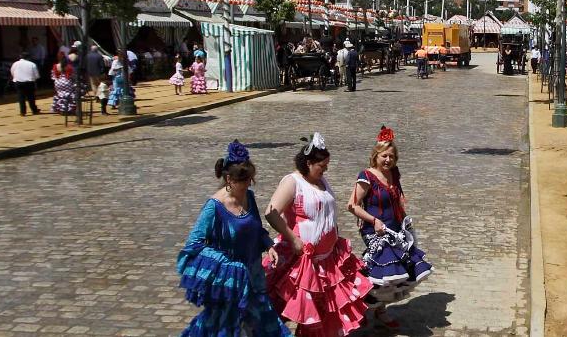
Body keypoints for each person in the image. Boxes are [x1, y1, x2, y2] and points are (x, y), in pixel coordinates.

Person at [177, 140, 290, 337]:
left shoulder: (249, 197)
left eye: (250, 179)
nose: (248, 184)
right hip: (229, 281)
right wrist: (227, 264)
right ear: (229, 179)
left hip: (253, 276)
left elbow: (255, 228)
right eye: (244, 180)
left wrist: (268, 244)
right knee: (226, 328)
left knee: (262, 324)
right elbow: (193, 244)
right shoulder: (214, 207)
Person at [264, 133, 371, 336]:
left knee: (322, 313)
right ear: (308, 163)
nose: (325, 169)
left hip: (327, 260)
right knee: (292, 308)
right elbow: (271, 212)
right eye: (322, 165)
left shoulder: (322, 181)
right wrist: (293, 239)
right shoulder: (292, 181)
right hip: (300, 261)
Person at [346, 127, 433, 328]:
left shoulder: (394, 173)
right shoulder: (367, 176)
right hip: (374, 230)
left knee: (393, 275)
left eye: (392, 157)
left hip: (394, 229)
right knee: (383, 270)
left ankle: (379, 309)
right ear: (376, 155)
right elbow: (352, 205)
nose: (388, 160)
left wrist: (404, 215)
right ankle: (360, 305)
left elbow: (399, 195)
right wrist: (373, 220)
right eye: (384, 156)